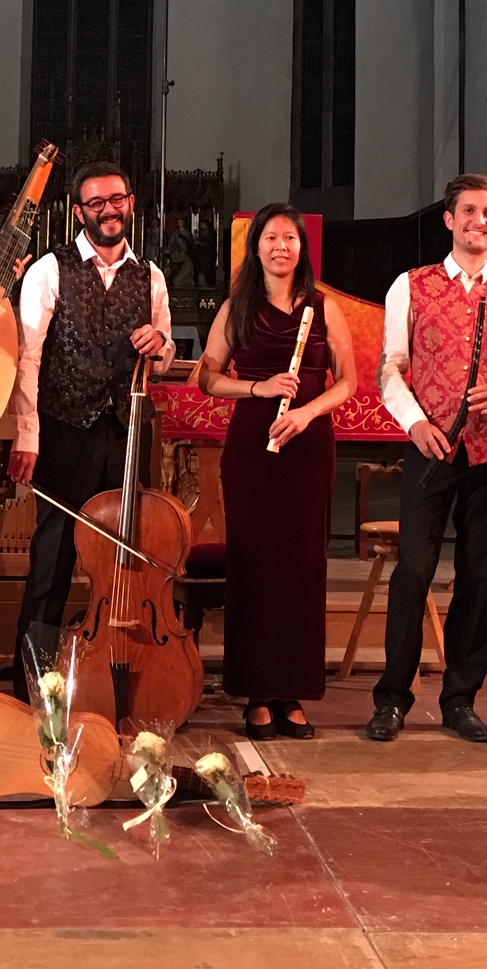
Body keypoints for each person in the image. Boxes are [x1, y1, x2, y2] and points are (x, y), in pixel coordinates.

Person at [366, 173, 487, 745]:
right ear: (449, 219)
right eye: (469, 211)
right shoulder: (410, 285)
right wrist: (414, 423)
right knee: (413, 571)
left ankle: (461, 698)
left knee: (479, 579)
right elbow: (390, 367)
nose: (479, 222)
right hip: (430, 449)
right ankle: (392, 698)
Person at [7, 162, 173, 696]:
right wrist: (27, 434)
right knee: (53, 560)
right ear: (79, 212)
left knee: (124, 556)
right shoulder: (48, 270)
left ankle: (114, 675)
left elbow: (165, 355)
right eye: (97, 202)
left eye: (117, 199)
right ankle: (31, 682)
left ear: (130, 204)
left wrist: (159, 344)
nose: (109, 209)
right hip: (63, 430)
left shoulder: (150, 275)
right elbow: (27, 357)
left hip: (123, 432)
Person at [196, 204, 356, 740]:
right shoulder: (236, 308)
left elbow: (348, 382)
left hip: (308, 448)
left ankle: (294, 692)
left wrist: (308, 412)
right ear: (256, 247)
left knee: (302, 567)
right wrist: (258, 388)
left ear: (301, 248)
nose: (280, 245)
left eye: (289, 237)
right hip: (252, 448)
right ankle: (258, 693)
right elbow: (208, 379)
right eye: (270, 237)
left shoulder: (323, 308)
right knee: (256, 564)